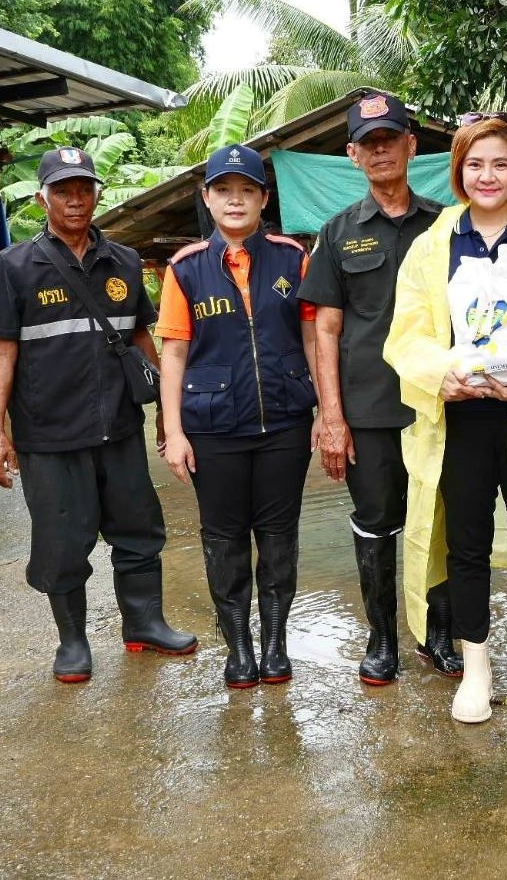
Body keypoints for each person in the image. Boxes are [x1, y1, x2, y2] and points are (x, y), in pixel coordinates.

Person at [384, 112, 507, 723]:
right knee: (467, 543)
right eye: (475, 164)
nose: (488, 175)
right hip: (461, 418)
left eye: (501, 163)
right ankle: (475, 667)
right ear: (458, 171)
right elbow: (408, 330)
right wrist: (442, 375)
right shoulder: (433, 245)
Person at [0, 146, 197, 683]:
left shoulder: (122, 260)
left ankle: (144, 623)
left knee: (139, 531)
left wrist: (168, 417)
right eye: (63, 190)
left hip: (119, 428)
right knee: (61, 542)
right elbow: (0, 352)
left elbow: (142, 337)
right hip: (50, 436)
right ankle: (72, 641)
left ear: (97, 194)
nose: (75, 200)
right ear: (42, 198)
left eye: (84, 189)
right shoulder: (15, 266)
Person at [297, 91, 458, 685]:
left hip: (441, 403)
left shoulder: (448, 225)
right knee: (376, 519)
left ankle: (437, 634)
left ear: (412, 146)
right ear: (353, 155)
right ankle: (381, 638)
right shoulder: (338, 234)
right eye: (369, 144)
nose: (381, 150)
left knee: (440, 516)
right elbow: (326, 330)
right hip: (369, 409)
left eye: (391, 138)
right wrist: (331, 417)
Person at [155, 144, 318, 689]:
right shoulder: (186, 269)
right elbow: (173, 352)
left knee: (277, 536)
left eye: (246, 190)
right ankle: (239, 648)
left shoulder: (293, 259)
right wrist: (173, 431)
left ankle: (274, 644)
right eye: (223, 191)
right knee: (224, 539)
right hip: (212, 427)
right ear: (207, 198)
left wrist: (324, 409)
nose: (235, 201)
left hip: (285, 424)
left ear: (263, 199)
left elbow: (313, 334)